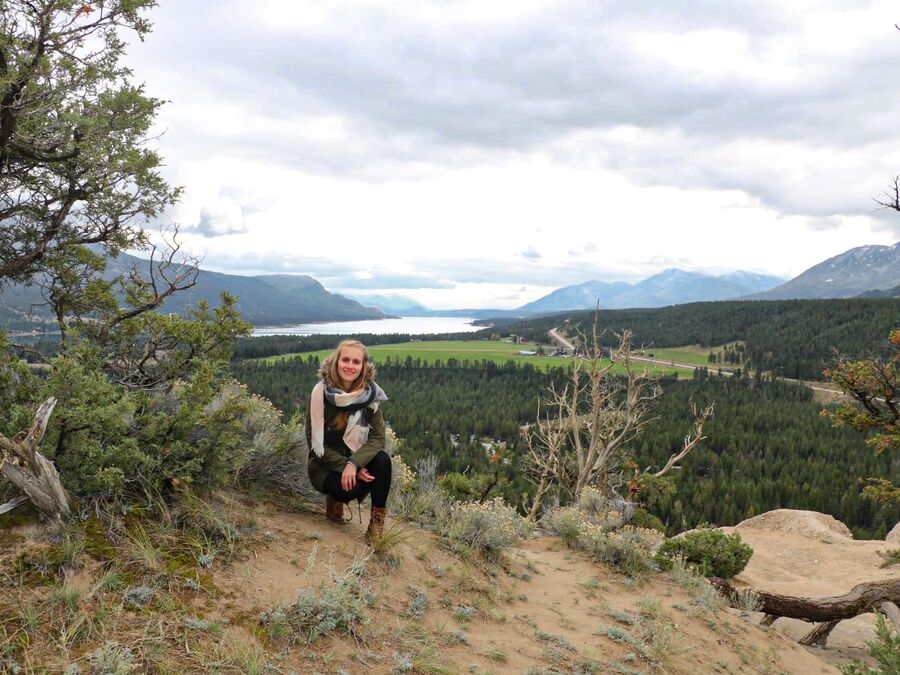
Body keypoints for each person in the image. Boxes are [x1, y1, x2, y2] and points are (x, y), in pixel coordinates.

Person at [306, 340, 391, 543]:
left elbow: (378, 438)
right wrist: (346, 466)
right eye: (345, 360)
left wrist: (354, 463)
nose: (350, 366)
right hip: (325, 464)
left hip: (356, 459)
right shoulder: (319, 394)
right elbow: (316, 444)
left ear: (363, 366)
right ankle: (334, 501)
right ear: (336, 362)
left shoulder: (370, 396)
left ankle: (376, 525)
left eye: (356, 362)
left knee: (383, 461)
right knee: (348, 490)